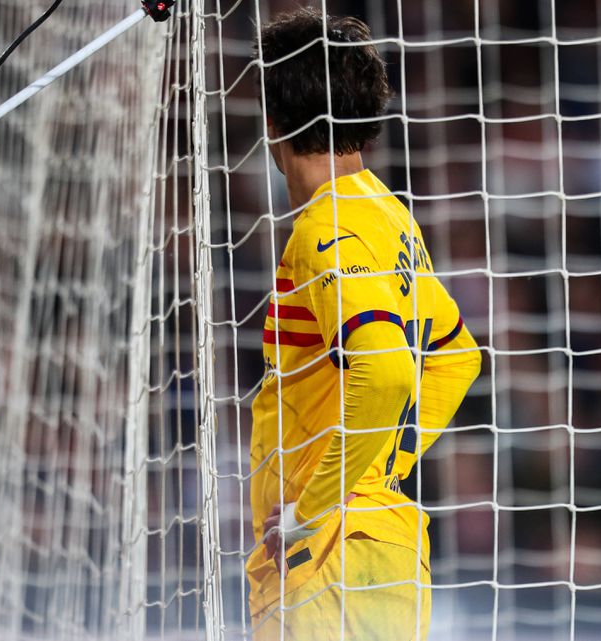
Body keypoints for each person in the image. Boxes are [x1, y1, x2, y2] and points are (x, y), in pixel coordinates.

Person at [246, 8, 481, 641]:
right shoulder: (389, 213)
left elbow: (383, 370)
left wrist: (310, 508)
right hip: (388, 545)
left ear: (272, 125)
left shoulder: (325, 227)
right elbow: (458, 358)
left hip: (326, 556)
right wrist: (377, 464)